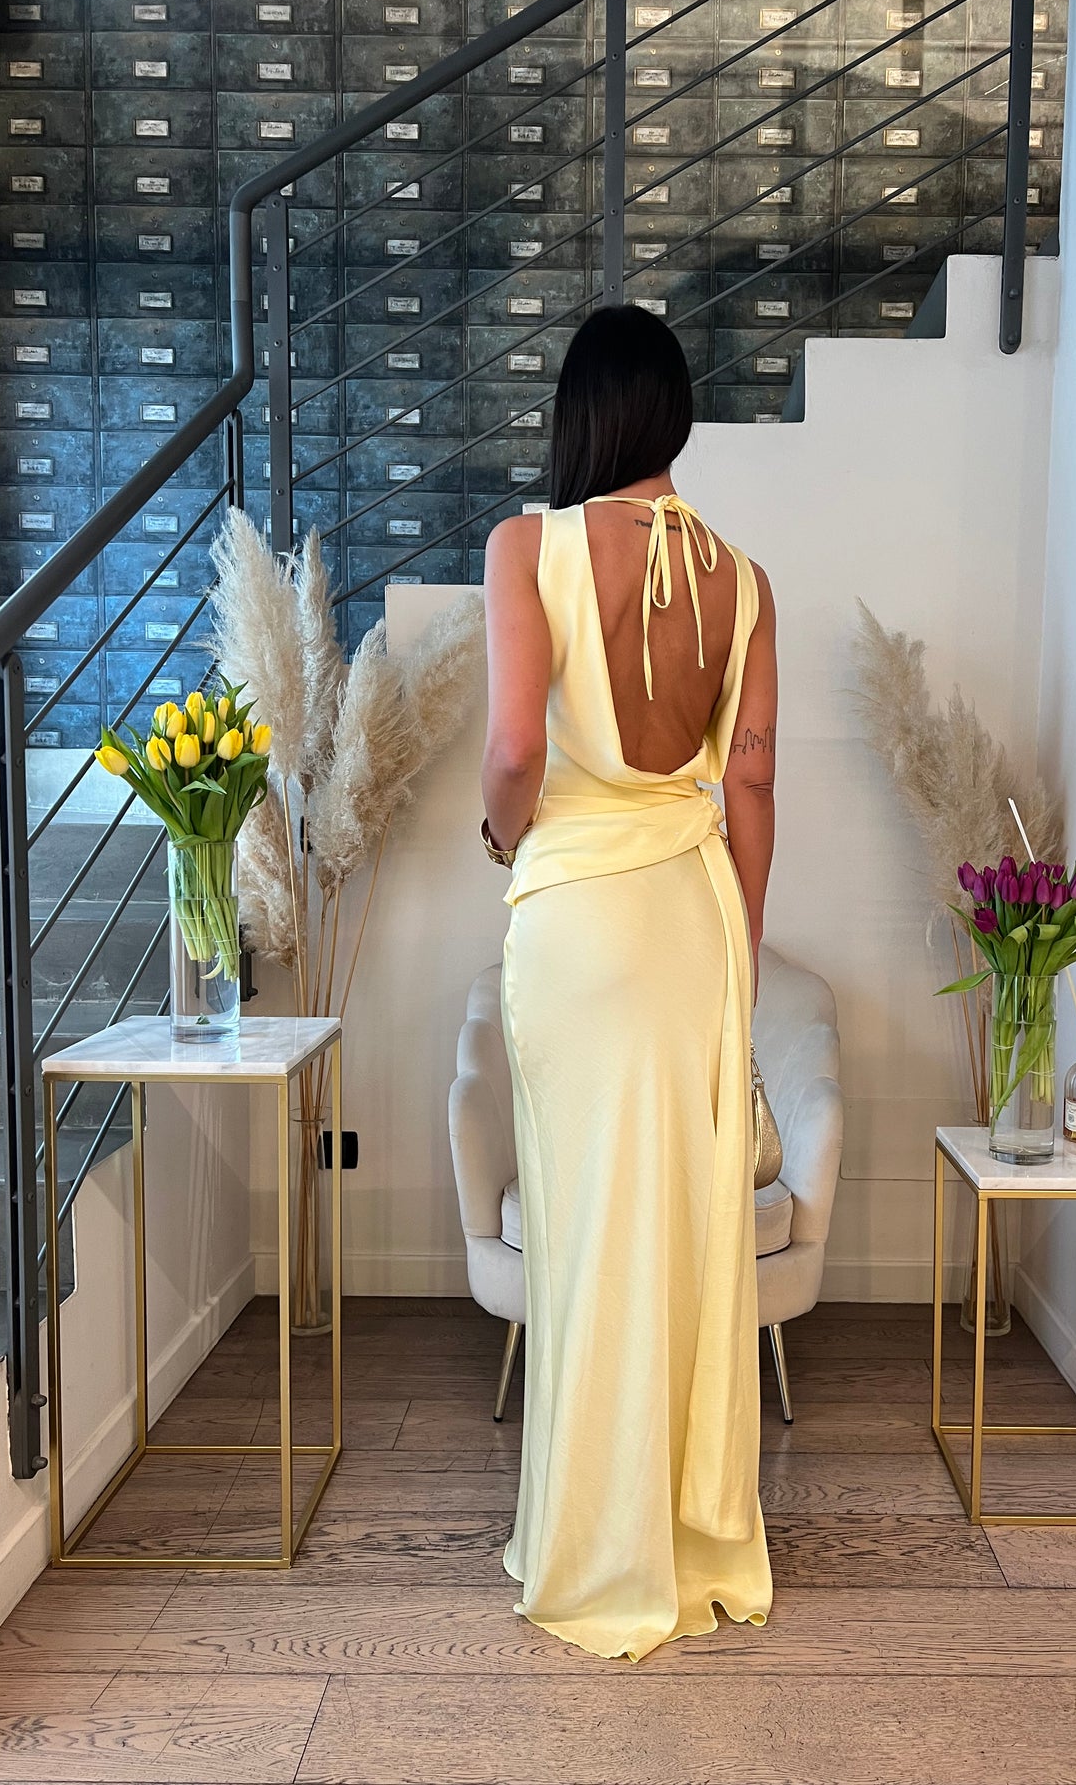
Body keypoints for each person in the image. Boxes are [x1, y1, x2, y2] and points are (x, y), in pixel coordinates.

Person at [479, 304, 778, 1663]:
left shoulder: (527, 547)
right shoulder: (745, 580)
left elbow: (512, 753)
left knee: (585, 1227)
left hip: (575, 914)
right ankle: (691, 1541)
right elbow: (751, 786)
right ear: (674, 414)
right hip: (691, 913)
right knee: (689, 1234)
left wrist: (504, 839)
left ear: (579, 415)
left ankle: (592, 1548)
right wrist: (742, 941)